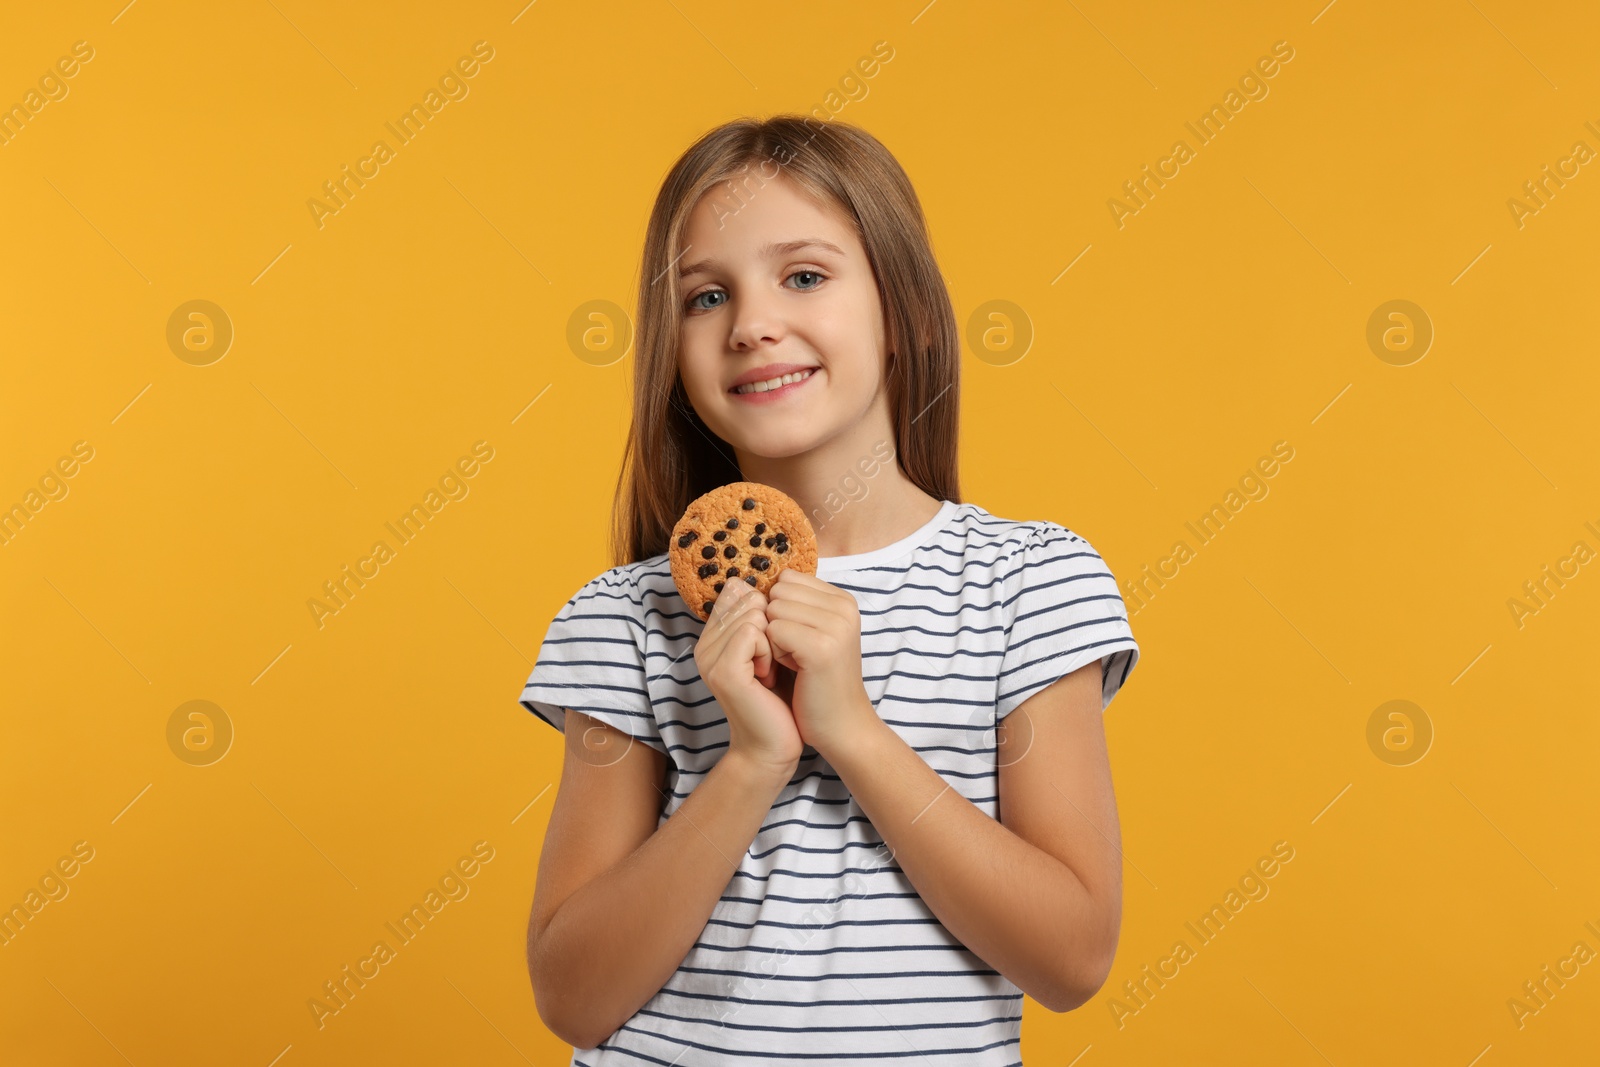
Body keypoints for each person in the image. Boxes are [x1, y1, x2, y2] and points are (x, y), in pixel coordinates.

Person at [519, 114, 1141, 1065]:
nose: (753, 323)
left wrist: (851, 731)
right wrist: (748, 765)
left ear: (910, 313)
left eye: (803, 276)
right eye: (705, 296)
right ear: (672, 354)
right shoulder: (622, 618)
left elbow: (1072, 956)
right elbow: (572, 994)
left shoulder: (1030, 586)